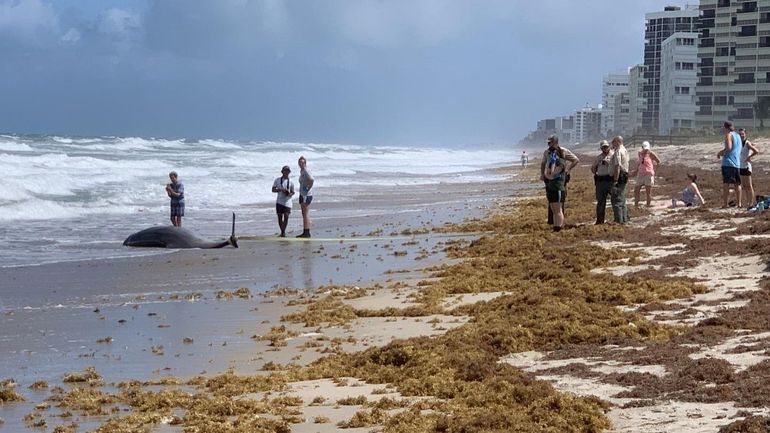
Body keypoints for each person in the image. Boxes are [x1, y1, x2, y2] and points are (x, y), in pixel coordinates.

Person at [540, 135, 579, 225]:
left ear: (555, 142)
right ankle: (552, 221)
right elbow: (543, 164)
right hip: (550, 179)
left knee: (559, 201)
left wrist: (568, 169)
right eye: (548, 143)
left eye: (550, 143)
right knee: (552, 201)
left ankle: (559, 223)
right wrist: (543, 174)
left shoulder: (563, 151)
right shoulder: (547, 152)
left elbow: (575, 160)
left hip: (559, 178)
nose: (548, 144)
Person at [717, 121, 743, 208]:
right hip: (736, 163)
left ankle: (725, 204)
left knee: (726, 183)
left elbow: (729, 147)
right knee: (737, 184)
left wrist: (721, 153)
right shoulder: (738, 136)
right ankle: (739, 203)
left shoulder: (729, 135)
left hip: (728, 162)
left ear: (725, 127)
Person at [630, 141, 661, 208]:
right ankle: (636, 205)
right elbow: (639, 163)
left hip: (648, 174)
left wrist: (655, 170)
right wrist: (636, 170)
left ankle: (648, 205)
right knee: (636, 189)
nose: (646, 150)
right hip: (641, 174)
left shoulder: (651, 154)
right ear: (642, 147)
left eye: (647, 148)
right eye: (644, 148)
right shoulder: (640, 153)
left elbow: (658, 161)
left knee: (648, 192)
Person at [590, 140, 614, 224]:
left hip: (610, 180)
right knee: (600, 201)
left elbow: (617, 167)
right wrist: (596, 166)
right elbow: (593, 169)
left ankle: (619, 218)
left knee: (615, 200)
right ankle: (600, 220)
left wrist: (608, 164)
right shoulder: (599, 157)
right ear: (601, 148)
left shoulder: (613, 155)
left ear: (609, 146)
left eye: (606, 147)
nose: (605, 148)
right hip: (600, 181)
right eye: (603, 147)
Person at [543, 145, 566, 231]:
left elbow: (552, 173)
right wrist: (550, 163)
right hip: (551, 188)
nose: (550, 155)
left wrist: (552, 163)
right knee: (553, 209)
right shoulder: (552, 162)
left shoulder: (560, 162)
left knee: (558, 209)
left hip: (558, 188)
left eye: (552, 153)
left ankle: (558, 227)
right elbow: (547, 174)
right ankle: (555, 226)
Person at [609, 135, 630, 224]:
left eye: (613, 142)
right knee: (622, 199)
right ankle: (624, 219)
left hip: (620, 176)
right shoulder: (625, 150)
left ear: (617, 142)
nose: (612, 144)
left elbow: (618, 166)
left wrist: (615, 180)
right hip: (624, 175)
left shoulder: (618, 151)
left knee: (617, 199)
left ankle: (619, 220)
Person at [738, 128, 760, 208]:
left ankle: (751, 203)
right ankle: (748, 203)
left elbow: (756, 151)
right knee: (744, 186)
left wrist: (749, 157)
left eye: (742, 134)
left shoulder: (747, 143)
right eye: (740, 134)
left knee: (749, 185)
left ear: (745, 134)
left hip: (746, 167)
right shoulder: (739, 143)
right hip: (740, 166)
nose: (741, 135)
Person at [272, 165, 295, 237]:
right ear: (282, 172)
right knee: (279, 217)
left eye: (288, 171)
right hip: (279, 201)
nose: (286, 172)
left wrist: (289, 194)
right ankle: (282, 232)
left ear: (289, 172)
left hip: (287, 202)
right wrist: (281, 190)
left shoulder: (291, 182)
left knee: (286, 216)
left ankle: (283, 232)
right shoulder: (277, 180)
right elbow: (273, 190)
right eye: (285, 171)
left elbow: (293, 192)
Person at [296, 155, 314, 238]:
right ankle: (306, 231)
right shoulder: (302, 171)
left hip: (306, 195)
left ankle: (306, 232)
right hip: (302, 194)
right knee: (304, 213)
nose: (301, 163)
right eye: (300, 162)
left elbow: (311, 179)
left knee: (305, 213)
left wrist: (308, 188)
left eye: (302, 162)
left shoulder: (306, 170)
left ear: (305, 163)